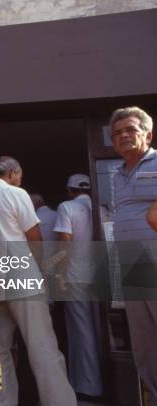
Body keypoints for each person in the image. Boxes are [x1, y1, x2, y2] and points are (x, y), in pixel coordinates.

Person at [0, 156, 77, 406]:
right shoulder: (17, 194)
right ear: (11, 172)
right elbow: (34, 237)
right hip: (23, 279)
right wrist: (41, 270)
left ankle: (3, 403)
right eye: (19, 175)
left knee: (0, 353)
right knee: (43, 349)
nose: (20, 180)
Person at [109, 106, 157, 404]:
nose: (123, 135)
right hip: (132, 265)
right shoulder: (116, 175)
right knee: (144, 343)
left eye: (130, 130)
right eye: (117, 133)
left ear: (148, 134)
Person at [53, 174, 103, 400]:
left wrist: (59, 275)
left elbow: (65, 242)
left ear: (69, 189)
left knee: (81, 331)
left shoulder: (67, 207)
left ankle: (88, 385)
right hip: (100, 277)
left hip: (75, 276)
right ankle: (105, 380)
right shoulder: (101, 208)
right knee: (100, 329)